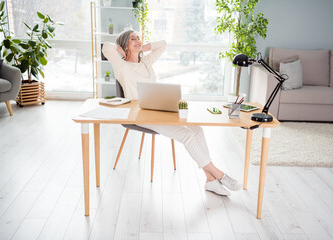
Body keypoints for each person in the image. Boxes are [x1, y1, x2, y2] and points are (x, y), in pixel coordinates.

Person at [102, 30, 241, 196]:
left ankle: (210, 181)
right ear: (125, 44)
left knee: (197, 129)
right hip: (139, 115)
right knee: (187, 136)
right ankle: (219, 174)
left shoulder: (145, 62)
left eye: (139, 37)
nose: (138, 40)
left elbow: (163, 45)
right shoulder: (122, 66)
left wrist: (144, 46)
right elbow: (105, 48)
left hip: (157, 109)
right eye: (133, 39)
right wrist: (120, 50)